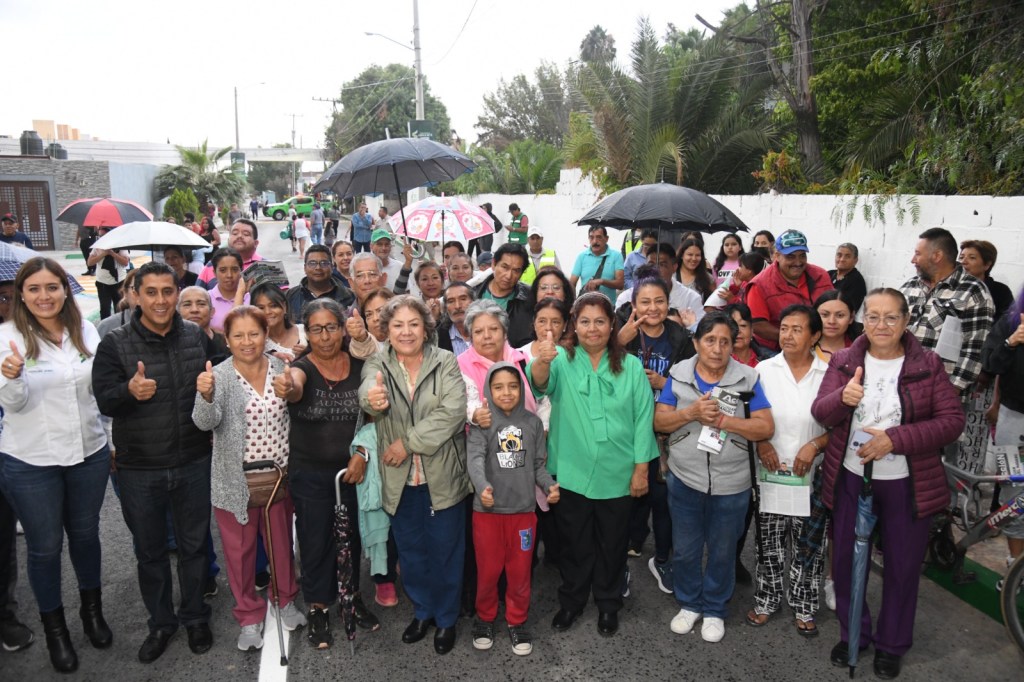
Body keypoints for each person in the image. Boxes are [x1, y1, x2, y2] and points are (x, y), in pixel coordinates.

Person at [811, 288, 966, 679]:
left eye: (891, 317)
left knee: (901, 565)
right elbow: (820, 412)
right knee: (845, 560)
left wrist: (895, 439)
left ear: (906, 320)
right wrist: (842, 399)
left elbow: (951, 422)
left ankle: (892, 644)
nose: (881, 325)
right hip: (850, 476)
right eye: (874, 316)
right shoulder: (845, 360)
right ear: (864, 319)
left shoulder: (927, 364)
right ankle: (854, 635)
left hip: (906, 483)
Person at [92, 262, 215, 664]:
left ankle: (196, 616)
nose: (161, 300)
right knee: (150, 552)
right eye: (152, 292)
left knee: (195, 547)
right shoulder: (115, 343)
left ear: (177, 293)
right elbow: (105, 399)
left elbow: (223, 383)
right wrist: (128, 391)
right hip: (139, 468)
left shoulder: (197, 336)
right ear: (134, 294)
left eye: (168, 291)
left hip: (194, 461)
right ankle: (161, 623)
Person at [0, 258, 111, 672]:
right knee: (45, 549)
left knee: (85, 537)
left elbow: (98, 391)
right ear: (21, 295)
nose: (44, 296)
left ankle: (92, 613)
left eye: (52, 287)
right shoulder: (6, 338)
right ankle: (56, 631)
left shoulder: (83, 330)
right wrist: (11, 378)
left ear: (66, 290)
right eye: (34, 289)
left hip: (89, 453)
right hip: (31, 462)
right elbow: (13, 404)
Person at [530, 292, 659, 637]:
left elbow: (644, 419)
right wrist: (542, 359)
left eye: (600, 321)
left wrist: (641, 469)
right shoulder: (560, 358)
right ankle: (571, 602)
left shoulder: (630, 366)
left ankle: (608, 603)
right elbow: (539, 383)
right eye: (584, 321)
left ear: (612, 324)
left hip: (618, 475)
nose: (592, 329)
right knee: (575, 545)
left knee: (613, 545)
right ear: (574, 324)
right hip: (572, 472)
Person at [653, 312, 774, 643]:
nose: (717, 348)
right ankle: (689, 604)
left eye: (725, 341)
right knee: (687, 549)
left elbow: (765, 427)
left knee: (722, 551)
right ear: (696, 343)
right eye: (710, 340)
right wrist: (691, 413)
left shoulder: (747, 379)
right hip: (685, 477)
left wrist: (725, 422)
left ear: (733, 345)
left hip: (732, 482)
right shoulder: (678, 376)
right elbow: (660, 423)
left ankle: (716, 609)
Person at [360, 296, 470, 655]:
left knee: (446, 552)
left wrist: (407, 444)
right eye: (397, 325)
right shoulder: (377, 363)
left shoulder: (446, 362)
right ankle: (423, 611)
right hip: (400, 481)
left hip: (443, 477)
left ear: (426, 328)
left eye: (413, 324)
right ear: (387, 331)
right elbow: (367, 391)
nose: (406, 332)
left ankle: (447, 618)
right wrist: (371, 399)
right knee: (412, 553)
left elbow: (452, 414)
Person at [192, 306, 306, 651]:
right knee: (239, 554)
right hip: (234, 480)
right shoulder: (218, 376)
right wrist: (206, 395)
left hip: (277, 479)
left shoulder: (281, 368)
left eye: (253, 333)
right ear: (227, 340)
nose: (247, 341)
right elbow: (202, 422)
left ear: (265, 335)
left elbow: (297, 406)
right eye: (238, 335)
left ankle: (285, 599)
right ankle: (248, 616)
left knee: (281, 546)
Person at [273, 299, 380, 648]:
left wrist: (363, 453)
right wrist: (288, 387)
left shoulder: (362, 367)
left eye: (331, 327)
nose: (324, 336)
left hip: (354, 471)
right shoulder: (302, 367)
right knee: (316, 541)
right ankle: (319, 606)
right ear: (307, 331)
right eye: (316, 329)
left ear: (342, 328)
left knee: (351, 540)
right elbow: (296, 386)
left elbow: (375, 419)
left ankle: (351, 597)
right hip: (310, 474)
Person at [747, 305, 829, 638]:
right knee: (769, 542)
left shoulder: (828, 375)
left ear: (815, 336)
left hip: (811, 478)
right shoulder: (763, 371)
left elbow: (840, 425)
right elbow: (749, 416)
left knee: (809, 545)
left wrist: (815, 445)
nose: (788, 335)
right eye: (784, 328)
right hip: (769, 472)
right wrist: (762, 443)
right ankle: (766, 599)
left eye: (797, 329)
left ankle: (804, 604)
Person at [467, 363, 560, 656]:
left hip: (523, 514)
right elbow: (475, 460)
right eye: (498, 387)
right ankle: (485, 618)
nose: (506, 392)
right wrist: (483, 487)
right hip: (488, 515)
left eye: (513, 385)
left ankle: (517, 620)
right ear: (488, 390)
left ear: (521, 389)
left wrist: (549, 486)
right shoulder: (482, 423)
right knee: (488, 572)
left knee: (520, 573)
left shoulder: (532, 424)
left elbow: (537, 466)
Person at [616, 268, 695, 590]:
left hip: (664, 433)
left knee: (663, 499)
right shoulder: (622, 333)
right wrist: (618, 343)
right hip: (624, 429)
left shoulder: (680, 339)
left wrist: (665, 383)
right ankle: (616, 563)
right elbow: (598, 372)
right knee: (622, 498)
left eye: (659, 301)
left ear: (668, 303)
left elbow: (692, 385)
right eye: (645, 302)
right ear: (633, 304)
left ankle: (663, 559)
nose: (652, 308)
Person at [900, 227, 993, 397]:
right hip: (901, 386)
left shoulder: (973, 291)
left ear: (937, 256)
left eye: (918, 254)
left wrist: (951, 391)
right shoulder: (909, 286)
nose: (913, 260)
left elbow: (976, 348)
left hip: (940, 392)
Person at [980, 286, 1024, 587]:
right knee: (1013, 494)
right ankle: (1015, 567)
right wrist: (1011, 342)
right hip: (1014, 420)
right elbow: (990, 365)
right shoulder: (1010, 322)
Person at [745, 229, 833, 352]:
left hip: (819, 342)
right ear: (777, 256)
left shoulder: (820, 275)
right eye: (790, 257)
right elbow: (758, 325)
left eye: (802, 255)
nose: (798, 262)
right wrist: (797, 338)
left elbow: (833, 307)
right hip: (775, 349)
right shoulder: (759, 285)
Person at [473, 243, 533, 348]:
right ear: (493, 264)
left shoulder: (530, 298)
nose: (509, 275)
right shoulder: (473, 293)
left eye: (516, 270)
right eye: (505, 267)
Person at [285, 245, 355, 324]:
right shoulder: (290, 296)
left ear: (332, 267)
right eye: (312, 263)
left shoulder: (349, 296)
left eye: (324, 263)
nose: (318, 267)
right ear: (305, 268)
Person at [250, 283, 307, 361]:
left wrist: (310, 355)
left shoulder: (306, 331)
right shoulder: (253, 343)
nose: (267, 312)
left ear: (284, 306)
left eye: (273, 306)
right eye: (261, 308)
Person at [199, 220, 262, 289]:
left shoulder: (266, 267)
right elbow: (196, 295)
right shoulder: (211, 265)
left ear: (255, 243)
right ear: (228, 240)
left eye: (246, 234)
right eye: (235, 233)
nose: (239, 236)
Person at [959, 239, 1013, 320]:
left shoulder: (1000, 291)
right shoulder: (949, 287)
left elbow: (1006, 324)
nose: (963, 261)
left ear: (987, 265)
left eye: (972, 258)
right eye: (961, 257)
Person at [570, 226, 625, 301]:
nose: (595, 241)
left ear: (606, 239)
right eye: (591, 237)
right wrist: (573, 302)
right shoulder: (582, 257)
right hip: (585, 306)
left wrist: (602, 281)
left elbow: (620, 284)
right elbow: (572, 284)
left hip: (608, 307)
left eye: (599, 237)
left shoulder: (616, 256)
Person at [86, 225, 130, 319]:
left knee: (120, 308)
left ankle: (121, 329)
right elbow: (90, 262)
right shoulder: (97, 246)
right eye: (101, 236)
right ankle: (105, 330)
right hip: (102, 282)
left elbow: (125, 262)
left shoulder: (120, 245)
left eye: (104, 235)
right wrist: (104, 253)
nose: (102, 238)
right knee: (105, 309)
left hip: (119, 281)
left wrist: (112, 253)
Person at [178, 286, 230, 363]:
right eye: (187, 305)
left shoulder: (226, 342)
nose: (194, 310)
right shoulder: (171, 345)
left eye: (201, 304)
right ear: (177, 312)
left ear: (212, 311)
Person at [207, 247, 249, 333]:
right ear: (214, 272)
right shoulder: (206, 299)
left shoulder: (250, 298)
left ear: (241, 271)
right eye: (223, 270)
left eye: (234, 269)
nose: (229, 275)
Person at [814, 290, 862, 362]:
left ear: (851, 317)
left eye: (840, 315)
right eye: (825, 315)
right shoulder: (803, 348)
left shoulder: (862, 350)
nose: (831, 321)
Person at [371, 229, 418, 296]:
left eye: (387, 244)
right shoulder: (366, 267)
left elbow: (407, 293)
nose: (384, 248)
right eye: (379, 244)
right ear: (371, 246)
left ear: (390, 246)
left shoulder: (400, 266)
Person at [436, 281, 475, 356]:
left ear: (473, 301)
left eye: (463, 299)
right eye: (451, 301)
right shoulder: (437, 338)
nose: (457, 306)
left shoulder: (487, 331)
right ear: (445, 307)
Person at [828, 243, 867, 315]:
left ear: (855, 260)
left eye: (847, 256)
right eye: (839, 255)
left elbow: (848, 309)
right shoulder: (829, 274)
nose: (842, 259)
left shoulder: (856, 280)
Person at [676, 238, 716, 303]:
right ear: (682, 255)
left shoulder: (708, 278)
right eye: (690, 255)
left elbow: (712, 304)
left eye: (697, 255)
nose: (694, 259)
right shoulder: (671, 276)